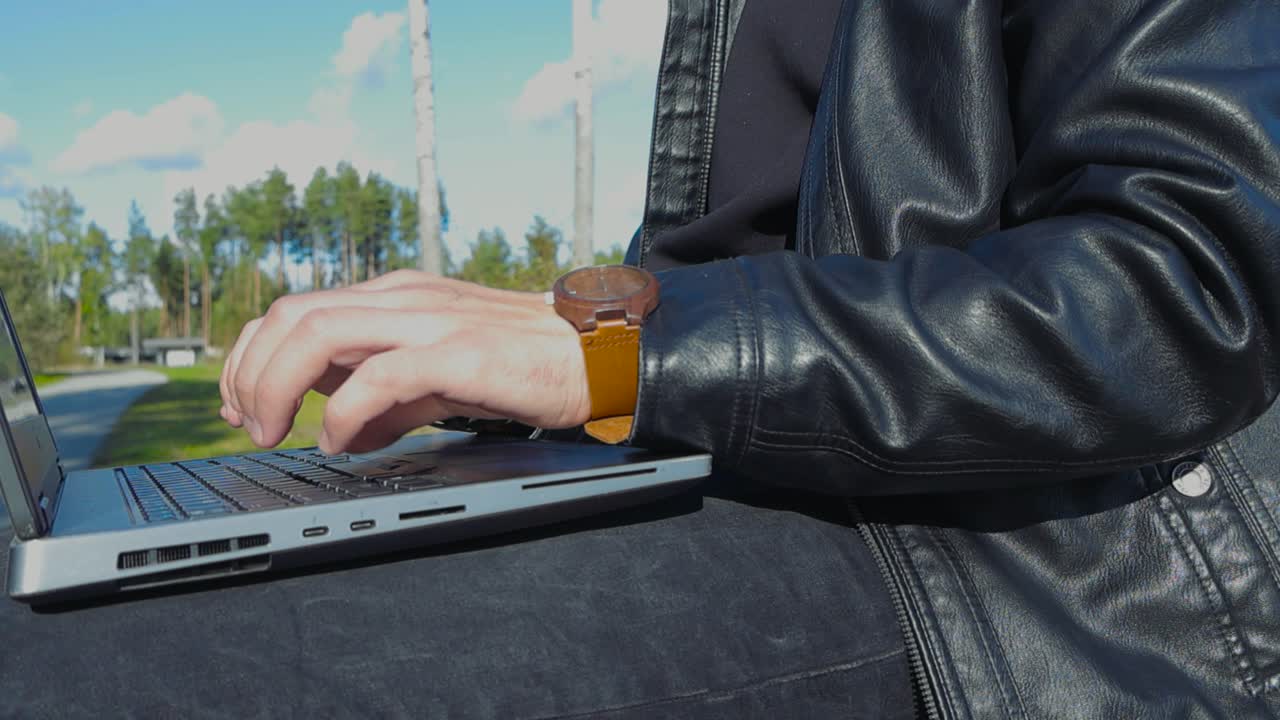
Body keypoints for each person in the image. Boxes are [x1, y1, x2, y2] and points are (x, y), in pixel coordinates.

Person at [4, 0, 1280, 717]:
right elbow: (733, 258)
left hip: (1014, 574)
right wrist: (524, 360)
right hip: (754, 478)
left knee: (65, 674)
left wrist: (619, 352)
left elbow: (1184, 283)